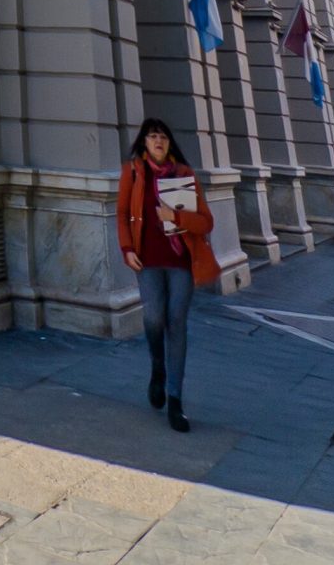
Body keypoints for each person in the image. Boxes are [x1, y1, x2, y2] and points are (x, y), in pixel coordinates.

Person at [114, 118, 216, 432]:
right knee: (154, 318)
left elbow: (206, 222)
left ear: (169, 143)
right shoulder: (133, 171)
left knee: (177, 323)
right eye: (152, 136)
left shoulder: (185, 175)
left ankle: (175, 400)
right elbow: (121, 213)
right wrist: (127, 248)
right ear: (144, 143)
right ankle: (158, 366)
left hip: (181, 262)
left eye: (163, 136)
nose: (158, 141)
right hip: (147, 261)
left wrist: (175, 216)